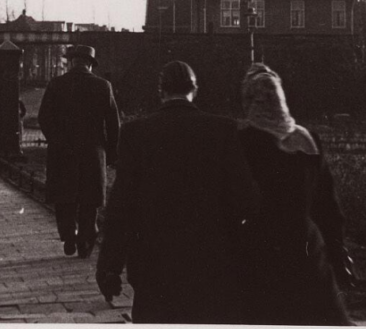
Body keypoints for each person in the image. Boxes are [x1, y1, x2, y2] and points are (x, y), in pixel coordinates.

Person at [95, 61, 258, 323]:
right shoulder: (223, 130)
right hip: (211, 264)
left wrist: (109, 267)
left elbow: (121, 206)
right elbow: (246, 200)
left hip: (153, 266)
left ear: (161, 91)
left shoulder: (136, 133)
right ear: (195, 89)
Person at [235, 63, 354, 326]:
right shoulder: (308, 140)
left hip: (258, 256)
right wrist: (336, 251)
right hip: (308, 252)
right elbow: (327, 206)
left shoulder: (240, 142)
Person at [38, 45, 120, 258]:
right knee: (89, 199)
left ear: (71, 62)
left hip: (62, 152)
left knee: (64, 197)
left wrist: (56, 140)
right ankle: (86, 239)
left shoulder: (56, 84)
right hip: (92, 153)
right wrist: (111, 154)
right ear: (91, 64)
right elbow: (113, 124)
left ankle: (68, 233)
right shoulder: (104, 86)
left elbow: (44, 118)